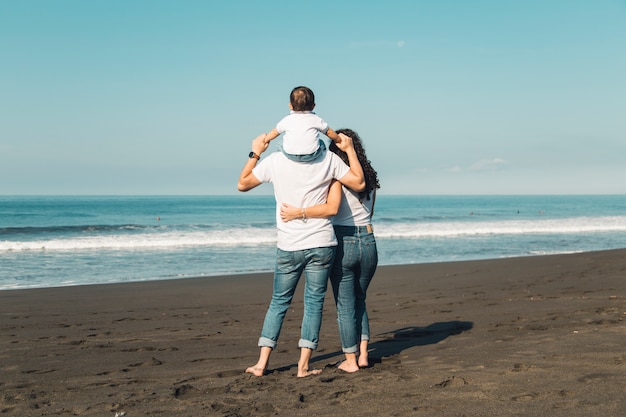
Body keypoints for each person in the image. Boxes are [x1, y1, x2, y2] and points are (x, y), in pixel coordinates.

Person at [237, 131, 365, 377]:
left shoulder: (275, 161)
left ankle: (261, 364)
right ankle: (303, 366)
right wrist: (349, 150)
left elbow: (242, 184)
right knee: (313, 304)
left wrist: (256, 151)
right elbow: (354, 187)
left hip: (289, 244)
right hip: (321, 243)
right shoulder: (329, 161)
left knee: (279, 302)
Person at [280, 128, 380, 369]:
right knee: (360, 300)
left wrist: (297, 213)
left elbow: (328, 209)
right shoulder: (370, 180)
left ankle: (351, 361)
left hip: (343, 241)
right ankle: (364, 355)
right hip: (368, 240)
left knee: (346, 305)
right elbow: (370, 213)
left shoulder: (335, 178)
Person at [262, 86, 340, 162]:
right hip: (312, 154)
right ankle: (322, 159)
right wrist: (338, 139)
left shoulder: (287, 120)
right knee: (321, 143)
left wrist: (265, 140)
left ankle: (283, 159)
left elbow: (275, 132)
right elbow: (328, 132)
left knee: (280, 143)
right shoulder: (315, 119)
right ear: (313, 106)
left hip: (290, 154)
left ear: (290, 106)